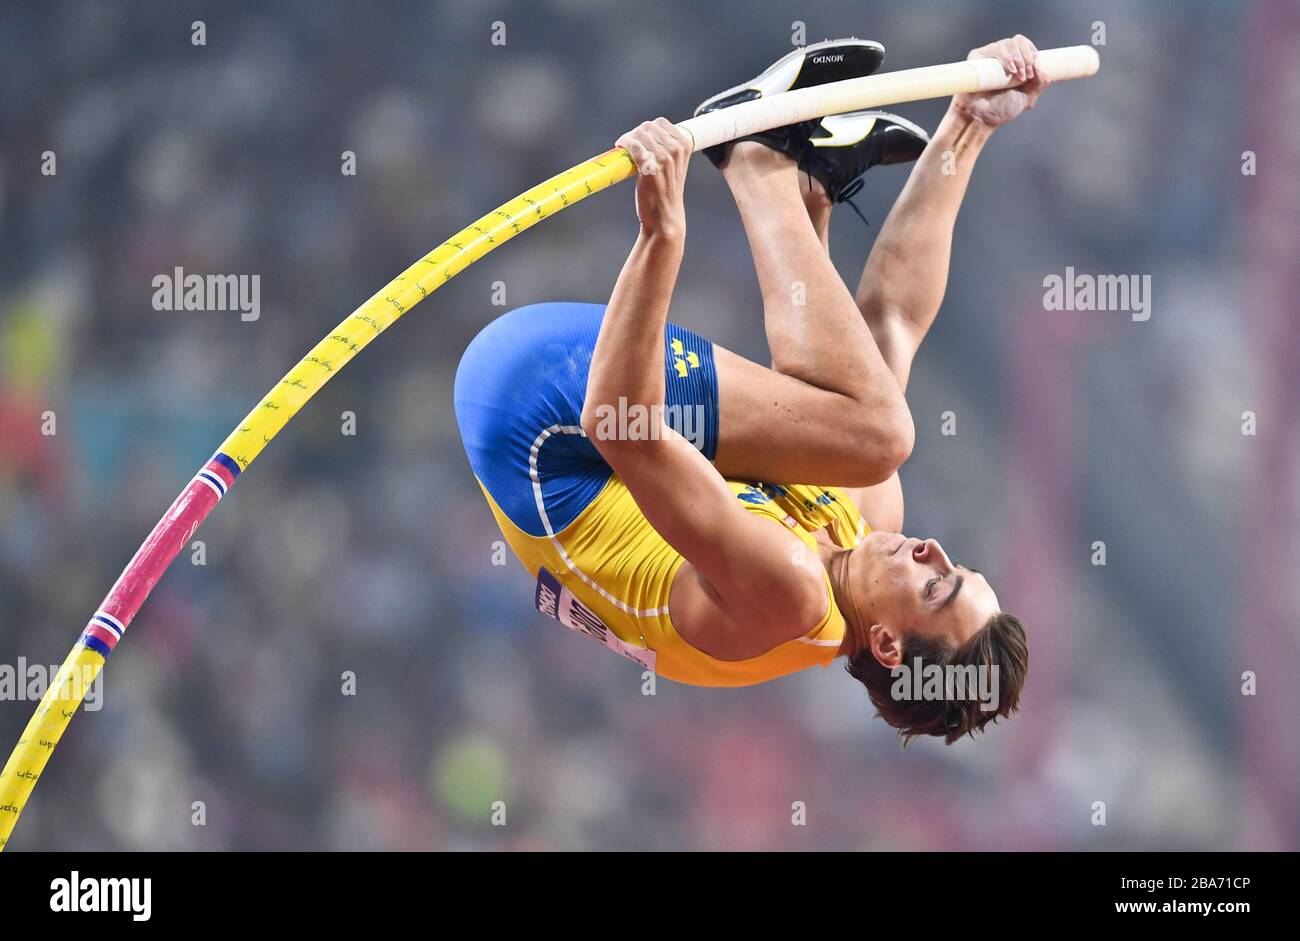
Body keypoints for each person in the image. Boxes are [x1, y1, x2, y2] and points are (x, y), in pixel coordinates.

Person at [455, 36, 1045, 743]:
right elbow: (891, 318)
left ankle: (759, 158)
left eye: (937, 586)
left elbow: (620, 428)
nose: (933, 551)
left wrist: (660, 239)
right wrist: (971, 123)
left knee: (880, 437)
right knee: (872, 424)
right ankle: (809, 185)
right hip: (578, 404)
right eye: (958, 564)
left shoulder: (788, 598)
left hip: (538, 421)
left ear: (888, 645)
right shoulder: (867, 523)